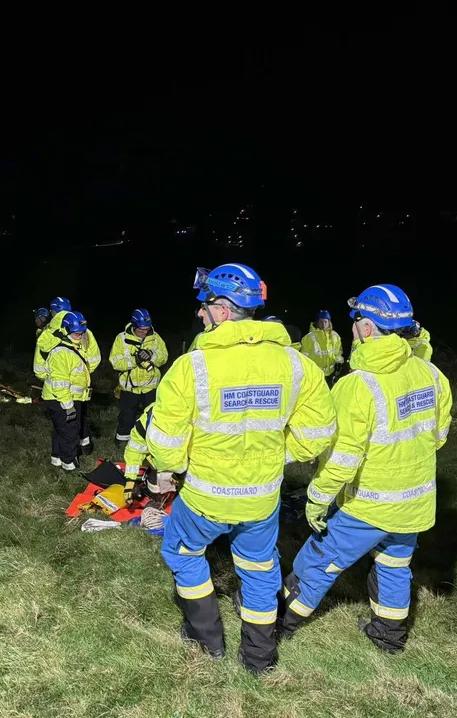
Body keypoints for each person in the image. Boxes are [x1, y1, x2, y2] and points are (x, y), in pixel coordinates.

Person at [146, 264, 337, 674]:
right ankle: (259, 658)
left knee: (182, 551)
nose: (200, 314)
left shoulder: (192, 366)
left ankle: (206, 641)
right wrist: (279, 456)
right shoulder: (296, 364)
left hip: (204, 496)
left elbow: (164, 440)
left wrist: (170, 468)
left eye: (206, 306)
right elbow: (320, 432)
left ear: (224, 310)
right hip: (262, 497)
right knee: (260, 566)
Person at [280, 284, 453, 653]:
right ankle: (388, 637)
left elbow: (343, 457)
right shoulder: (432, 374)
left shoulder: (357, 385)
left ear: (369, 328)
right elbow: (438, 436)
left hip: (369, 505)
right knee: (394, 565)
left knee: (317, 561)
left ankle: (280, 622)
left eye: (356, 319)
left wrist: (318, 497)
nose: (353, 325)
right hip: (416, 503)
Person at [35, 297, 100, 451]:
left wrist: (53, 379)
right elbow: (94, 358)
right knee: (76, 421)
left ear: (52, 312)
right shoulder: (84, 330)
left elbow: (39, 367)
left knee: (62, 426)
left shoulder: (47, 334)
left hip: (54, 390)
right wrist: (80, 376)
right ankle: (81, 448)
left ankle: (59, 458)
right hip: (75, 389)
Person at [110, 308, 168, 445]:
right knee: (126, 416)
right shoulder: (122, 339)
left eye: (147, 329)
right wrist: (135, 360)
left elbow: (164, 357)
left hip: (150, 387)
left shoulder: (155, 338)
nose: (145, 332)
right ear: (134, 326)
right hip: (130, 388)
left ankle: (150, 442)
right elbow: (115, 362)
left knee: (152, 416)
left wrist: (152, 356)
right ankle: (122, 440)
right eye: (142, 329)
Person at [300, 310, 345, 383]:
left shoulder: (335, 336)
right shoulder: (308, 338)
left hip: (331, 374)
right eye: (321, 322)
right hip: (315, 375)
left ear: (329, 322)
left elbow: (338, 353)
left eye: (325, 322)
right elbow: (304, 358)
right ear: (317, 322)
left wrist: (339, 367)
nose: (323, 324)